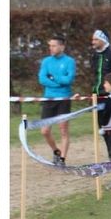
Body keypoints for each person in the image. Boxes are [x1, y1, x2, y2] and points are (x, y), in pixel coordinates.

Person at [37, 37, 76, 165]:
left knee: (63, 130)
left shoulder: (69, 61)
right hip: (49, 98)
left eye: (54, 46)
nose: (51, 48)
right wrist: (57, 82)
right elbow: (42, 79)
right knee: (44, 131)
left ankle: (63, 159)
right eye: (50, 45)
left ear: (62, 47)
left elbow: (68, 80)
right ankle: (56, 151)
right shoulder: (46, 61)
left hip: (64, 98)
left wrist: (53, 77)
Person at [89, 29, 111, 96]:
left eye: (96, 40)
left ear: (103, 40)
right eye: (93, 40)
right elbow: (94, 74)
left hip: (109, 94)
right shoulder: (94, 55)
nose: (93, 42)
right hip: (95, 93)